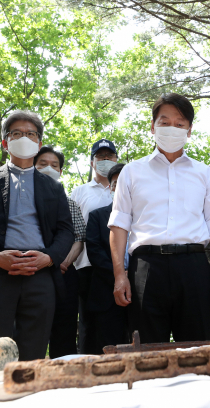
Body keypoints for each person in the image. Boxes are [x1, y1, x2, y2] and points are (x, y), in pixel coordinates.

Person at [108, 93, 210, 344]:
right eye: (164, 122)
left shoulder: (203, 173)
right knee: (148, 349)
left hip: (194, 267)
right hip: (146, 268)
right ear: (152, 127)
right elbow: (119, 225)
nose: (172, 128)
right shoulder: (131, 172)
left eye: (180, 123)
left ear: (189, 130)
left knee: (197, 347)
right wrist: (120, 274)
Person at [0, 111, 73, 361]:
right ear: (5, 142)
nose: (24, 137)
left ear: (38, 142)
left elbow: (66, 231)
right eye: (16, 133)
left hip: (40, 275)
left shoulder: (54, 187)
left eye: (31, 134)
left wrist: (48, 258)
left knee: (33, 353)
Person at [33, 146, 87, 358]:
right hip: (31, 271)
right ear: (33, 166)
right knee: (32, 327)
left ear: (61, 171)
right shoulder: (23, 198)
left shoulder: (70, 203)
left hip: (64, 273)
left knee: (64, 330)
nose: (49, 168)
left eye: (54, 165)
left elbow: (79, 238)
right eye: (43, 164)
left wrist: (62, 262)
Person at [70, 139, 118, 353]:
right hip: (88, 267)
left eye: (109, 156)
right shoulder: (80, 192)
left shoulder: (125, 189)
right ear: (92, 162)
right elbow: (72, 229)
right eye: (100, 157)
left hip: (123, 268)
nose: (105, 160)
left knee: (120, 324)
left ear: (116, 159)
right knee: (90, 324)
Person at [83, 163, 129, 353]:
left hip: (143, 292)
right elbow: (95, 252)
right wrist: (120, 275)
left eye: (125, 183)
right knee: (107, 349)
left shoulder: (147, 217)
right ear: (110, 187)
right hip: (106, 293)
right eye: (116, 183)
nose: (120, 187)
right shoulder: (97, 216)